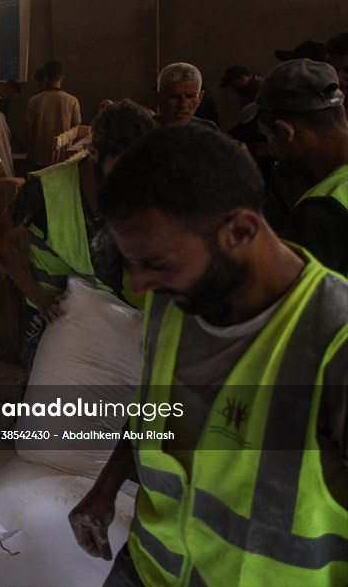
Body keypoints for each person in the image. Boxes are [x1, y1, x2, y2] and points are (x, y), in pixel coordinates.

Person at [68, 125, 347, 586]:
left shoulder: (333, 344)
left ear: (239, 229)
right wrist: (104, 489)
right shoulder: (173, 300)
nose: (138, 286)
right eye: (132, 261)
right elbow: (152, 408)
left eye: (158, 262)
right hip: (152, 568)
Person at [0, 100, 155, 368]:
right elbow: (0, 240)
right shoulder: (45, 190)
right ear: (93, 152)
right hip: (57, 319)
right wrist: (38, 297)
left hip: (119, 318)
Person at [256, 58, 348, 274]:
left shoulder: (323, 210)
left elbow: (280, 298)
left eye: (268, 137)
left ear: (285, 131)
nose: (271, 151)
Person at [25, 60, 81, 170]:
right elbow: (77, 129)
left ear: (45, 77)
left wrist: (31, 150)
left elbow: (28, 129)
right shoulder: (72, 101)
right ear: (62, 77)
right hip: (64, 156)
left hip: (40, 156)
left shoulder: (35, 101)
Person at [153, 62, 218, 130]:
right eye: (175, 96)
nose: (183, 104)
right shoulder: (144, 130)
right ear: (158, 98)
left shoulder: (208, 129)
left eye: (190, 96)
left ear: (200, 98)